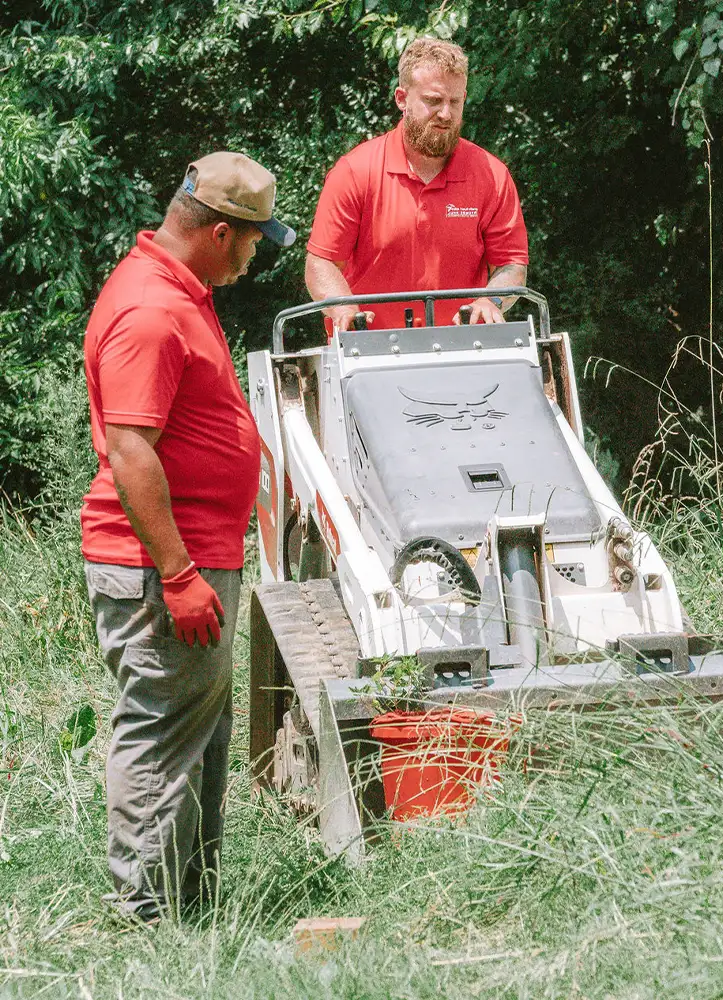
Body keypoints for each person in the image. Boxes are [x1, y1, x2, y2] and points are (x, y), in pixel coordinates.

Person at [81, 152, 295, 922]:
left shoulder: (180, 291)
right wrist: (176, 574)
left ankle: (191, 910)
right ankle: (146, 919)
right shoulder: (150, 309)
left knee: (197, 733)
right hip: (158, 569)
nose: (257, 252)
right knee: (162, 731)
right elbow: (131, 449)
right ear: (219, 232)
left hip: (190, 561)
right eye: (255, 238)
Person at [305, 37, 528, 333]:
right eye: (433, 101)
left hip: (464, 348)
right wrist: (343, 308)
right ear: (401, 99)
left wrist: (492, 301)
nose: (446, 114)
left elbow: (511, 265)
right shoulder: (355, 171)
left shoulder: (492, 175)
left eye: (455, 102)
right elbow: (321, 263)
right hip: (370, 349)